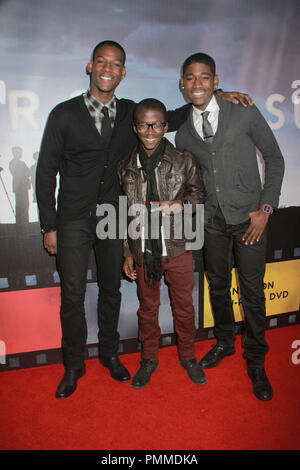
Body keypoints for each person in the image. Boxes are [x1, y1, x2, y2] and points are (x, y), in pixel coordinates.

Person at [36, 40, 252, 399]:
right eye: (101, 62)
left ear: (123, 72)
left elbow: (174, 115)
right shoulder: (63, 114)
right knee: (72, 295)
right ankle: (74, 365)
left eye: (115, 64)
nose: (107, 69)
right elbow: (46, 173)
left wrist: (219, 93)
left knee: (110, 291)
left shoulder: (131, 112)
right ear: (91, 67)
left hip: (112, 217)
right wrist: (50, 225)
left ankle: (109, 356)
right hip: (72, 218)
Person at [175, 53, 284, 401]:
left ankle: (256, 359)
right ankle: (224, 342)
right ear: (182, 84)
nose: (197, 84)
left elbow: (275, 158)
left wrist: (266, 208)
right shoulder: (182, 132)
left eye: (204, 77)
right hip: (211, 223)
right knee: (218, 287)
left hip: (250, 219)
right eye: (190, 78)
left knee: (253, 293)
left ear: (216, 80)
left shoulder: (243, 110)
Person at [118, 98, 206, 389]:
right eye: (144, 124)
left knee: (184, 307)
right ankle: (149, 359)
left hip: (178, 247)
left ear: (166, 126)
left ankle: (189, 357)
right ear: (135, 127)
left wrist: (180, 205)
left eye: (157, 124)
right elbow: (125, 213)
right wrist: (128, 252)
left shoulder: (184, 159)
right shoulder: (125, 166)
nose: (150, 130)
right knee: (147, 308)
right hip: (144, 249)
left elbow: (200, 198)